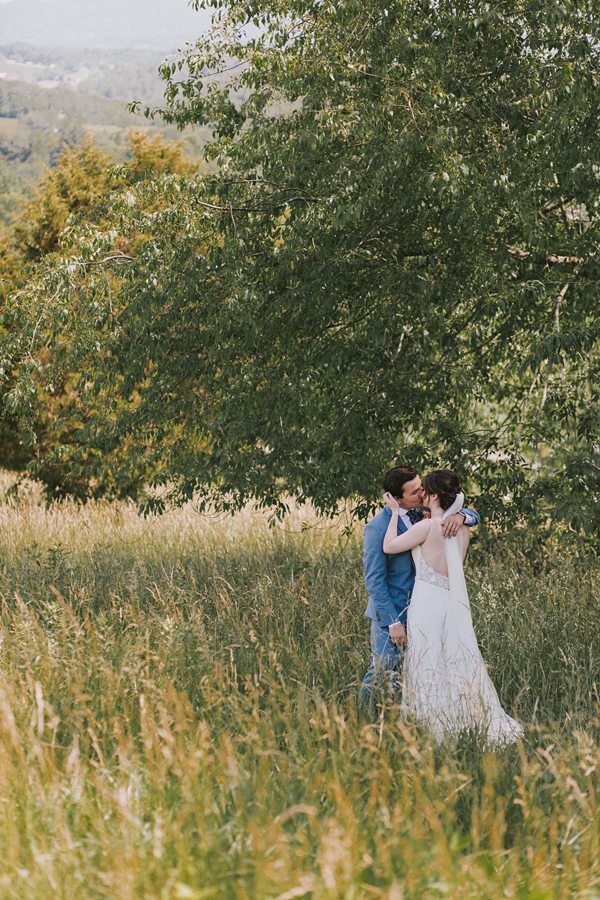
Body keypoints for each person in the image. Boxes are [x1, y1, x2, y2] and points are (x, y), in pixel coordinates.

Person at [383, 469, 523, 744]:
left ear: (434, 495)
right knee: (454, 659)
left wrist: (391, 512)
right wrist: (461, 514)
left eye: (425, 489)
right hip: (451, 600)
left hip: (426, 602)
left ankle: (433, 724)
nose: (421, 492)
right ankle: (465, 717)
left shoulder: (426, 527)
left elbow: (389, 546)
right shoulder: (463, 528)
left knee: (428, 660)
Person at [359, 466, 480, 712]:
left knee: (418, 672)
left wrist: (462, 516)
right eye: (415, 491)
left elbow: (463, 506)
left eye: (423, 487)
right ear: (396, 498)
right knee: (383, 668)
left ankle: (404, 720)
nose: (423, 493)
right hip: (392, 613)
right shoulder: (377, 528)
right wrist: (393, 621)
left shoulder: (425, 516)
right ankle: (360, 719)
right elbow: (374, 580)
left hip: (425, 610)